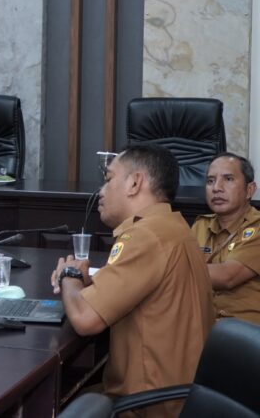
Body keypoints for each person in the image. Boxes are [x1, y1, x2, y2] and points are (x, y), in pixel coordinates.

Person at [50, 144, 214, 416]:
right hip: (182, 395)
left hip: (148, 405)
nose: (100, 191)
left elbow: (84, 319)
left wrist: (69, 274)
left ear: (135, 182)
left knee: (55, 402)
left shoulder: (145, 236)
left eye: (108, 179)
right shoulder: (173, 227)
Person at [191, 153, 260, 324]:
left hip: (245, 332)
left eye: (228, 179)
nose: (216, 188)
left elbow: (228, 277)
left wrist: (166, 269)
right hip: (201, 327)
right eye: (210, 181)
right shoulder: (200, 225)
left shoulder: (258, 227)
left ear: (249, 190)